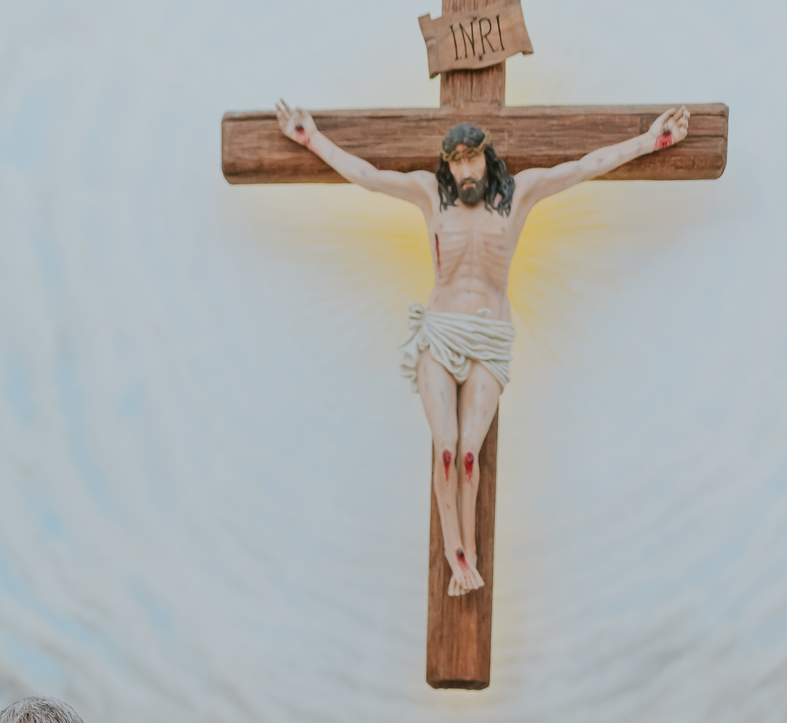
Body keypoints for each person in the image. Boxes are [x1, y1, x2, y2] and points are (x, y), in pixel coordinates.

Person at [275, 102, 689, 593]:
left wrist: (653, 141)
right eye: (456, 161)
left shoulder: (521, 193)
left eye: (472, 159)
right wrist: (311, 139)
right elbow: (368, 176)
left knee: (470, 456)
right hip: (440, 331)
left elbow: (583, 167)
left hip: (489, 335)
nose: (464, 170)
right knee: (446, 451)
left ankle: (468, 556)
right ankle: (458, 558)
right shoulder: (431, 195)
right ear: (446, 165)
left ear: (487, 159)